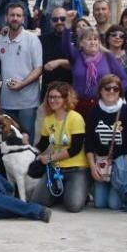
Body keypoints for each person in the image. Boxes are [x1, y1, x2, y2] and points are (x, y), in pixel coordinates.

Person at [85, 75, 127, 213]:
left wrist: (126, 162)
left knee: (113, 204)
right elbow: (88, 141)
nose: (111, 91)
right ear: (100, 90)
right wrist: (92, 166)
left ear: (120, 92)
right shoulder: (94, 112)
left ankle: (126, 191)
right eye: (107, 88)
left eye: (115, 89)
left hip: (120, 164)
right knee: (100, 203)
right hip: (102, 163)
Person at [35, 82, 90, 212]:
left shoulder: (75, 118)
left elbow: (75, 149)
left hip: (76, 169)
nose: (52, 100)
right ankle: (62, 192)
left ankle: (80, 191)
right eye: (50, 97)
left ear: (66, 98)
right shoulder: (48, 120)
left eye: (56, 97)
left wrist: (50, 157)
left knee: (73, 206)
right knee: (38, 201)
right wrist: (25, 149)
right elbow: (42, 144)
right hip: (56, 169)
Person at [0, 2, 43, 139]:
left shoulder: (32, 40)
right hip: (6, 101)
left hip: (27, 102)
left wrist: (22, 84)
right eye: (12, 15)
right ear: (6, 18)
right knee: (7, 140)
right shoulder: (1, 39)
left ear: (23, 18)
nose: (15, 18)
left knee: (26, 139)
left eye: (18, 15)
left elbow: (39, 68)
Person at [63, 28, 127, 115]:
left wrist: (112, 93)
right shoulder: (76, 56)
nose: (93, 42)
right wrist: (67, 27)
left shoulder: (107, 56)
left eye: (95, 39)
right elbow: (65, 47)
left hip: (102, 104)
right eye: (89, 39)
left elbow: (125, 80)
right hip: (78, 104)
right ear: (81, 43)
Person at [40, 7, 74, 91]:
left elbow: (80, 63)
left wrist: (59, 62)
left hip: (70, 91)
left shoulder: (76, 39)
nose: (59, 22)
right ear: (51, 22)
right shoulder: (41, 40)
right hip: (48, 92)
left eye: (62, 19)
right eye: (55, 19)